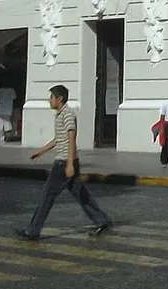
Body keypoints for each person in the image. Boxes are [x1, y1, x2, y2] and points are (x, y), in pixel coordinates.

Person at [18, 85, 112, 240]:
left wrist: (69, 163)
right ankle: (102, 220)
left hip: (63, 163)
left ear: (59, 99)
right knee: (80, 194)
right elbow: (59, 139)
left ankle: (33, 230)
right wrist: (41, 151)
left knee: (47, 196)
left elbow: (71, 138)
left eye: (51, 97)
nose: (50, 100)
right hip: (67, 161)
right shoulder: (61, 114)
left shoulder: (67, 114)